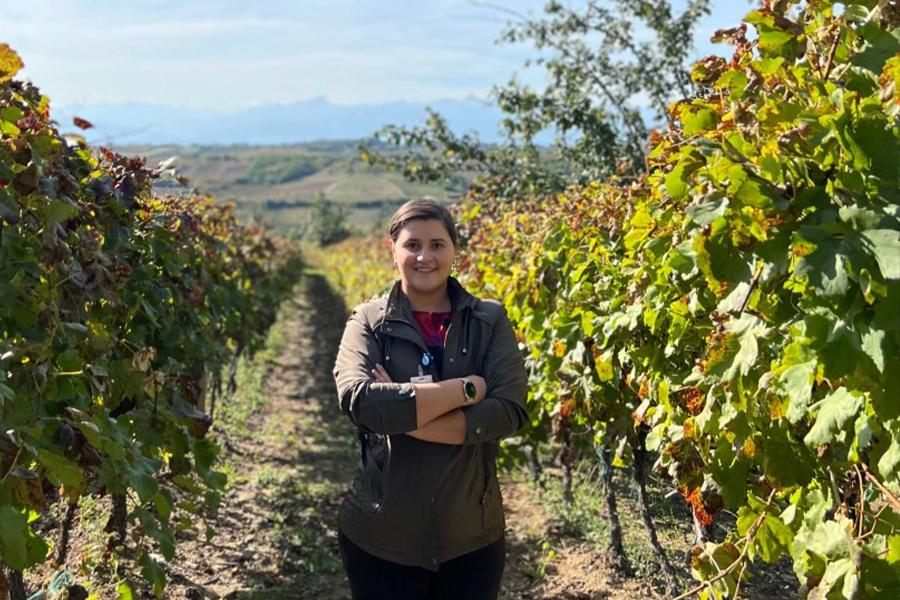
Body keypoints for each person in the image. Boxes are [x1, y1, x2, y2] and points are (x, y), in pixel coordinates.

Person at [332, 198, 528, 600]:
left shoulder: (490, 320)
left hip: (472, 539)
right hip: (381, 538)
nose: (425, 256)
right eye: (413, 245)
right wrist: (467, 389)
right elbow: (360, 402)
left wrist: (401, 412)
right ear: (393, 251)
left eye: (437, 244)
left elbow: (509, 411)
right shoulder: (368, 321)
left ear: (455, 249)